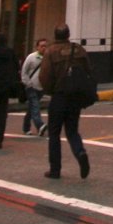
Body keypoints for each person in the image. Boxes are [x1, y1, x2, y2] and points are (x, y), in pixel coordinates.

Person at [38, 24, 92, 180]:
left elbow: (45, 77)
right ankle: (80, 152)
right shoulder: (79, 50)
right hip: (75, 97)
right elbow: (89, 71)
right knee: (72, 130)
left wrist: (50, 90)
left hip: (59, 95)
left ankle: (55, 169)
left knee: (54, 133)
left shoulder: (51, 52)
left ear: (55, 35)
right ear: (68, 35)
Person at [20, 37, 47, 136]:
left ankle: (26, 127)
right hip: (31, 87)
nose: (44, 48)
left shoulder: (47, 58)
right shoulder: (31, 57)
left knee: (31, 107)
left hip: (41, 87)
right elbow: (24, 71)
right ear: (37, 47)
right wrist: (28, 83)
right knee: (35, 106)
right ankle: (40, 125)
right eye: (42, 46)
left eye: (45, 46)